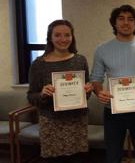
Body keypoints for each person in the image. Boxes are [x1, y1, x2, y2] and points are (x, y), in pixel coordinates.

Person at [90, 4, 135, 163]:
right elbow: (96, 78)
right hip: (113, 111)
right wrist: (99, 91)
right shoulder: (102, 49)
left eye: (130, 19)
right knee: (113, 156)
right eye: (121, 18)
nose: (126, 23)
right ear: (114, 23)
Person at [27, 20, 92, 163]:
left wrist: (87, 90)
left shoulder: (80, 60)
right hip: (51, 122)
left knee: (78, 159)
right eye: (57, 35)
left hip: (77, 121)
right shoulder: (38, 64)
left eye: (67, 35)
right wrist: (42, 94)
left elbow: (86, 93)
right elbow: (31, 96)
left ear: (72, 37)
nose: (63, 39)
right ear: (50, 38)